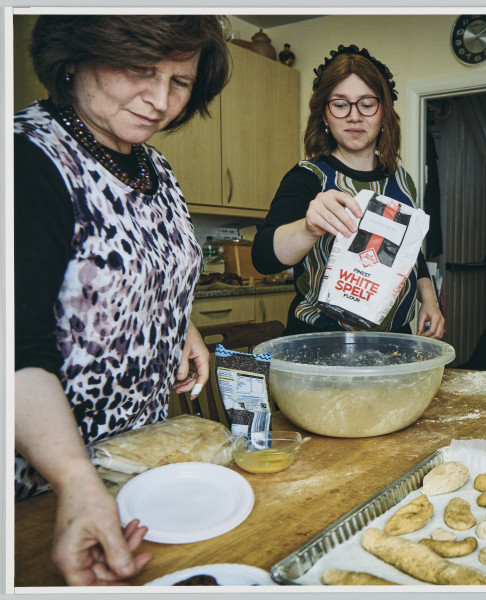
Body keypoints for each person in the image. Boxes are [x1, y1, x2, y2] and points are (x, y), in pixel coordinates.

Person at [14, 15, 230, 585]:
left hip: (132, 470)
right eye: (140, 70)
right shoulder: (26, 161)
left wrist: (180, 326)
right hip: (39, 494)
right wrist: (75, 480)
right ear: (74, 57)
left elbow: (144, 270)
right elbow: (14, 347)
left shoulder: (153, 166)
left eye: (180, 82)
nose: (160, 100)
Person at [251, 44, 444, 338]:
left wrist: (428, 298)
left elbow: (407, 250)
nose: (354, 116)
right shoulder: (308, 177)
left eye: (366, 104)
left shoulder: (401, 181)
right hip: (321, 343)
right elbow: (263, 257)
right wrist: (308, 227)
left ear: (384, 114)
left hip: (394, 341)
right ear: (325, 116)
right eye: (340, 104)